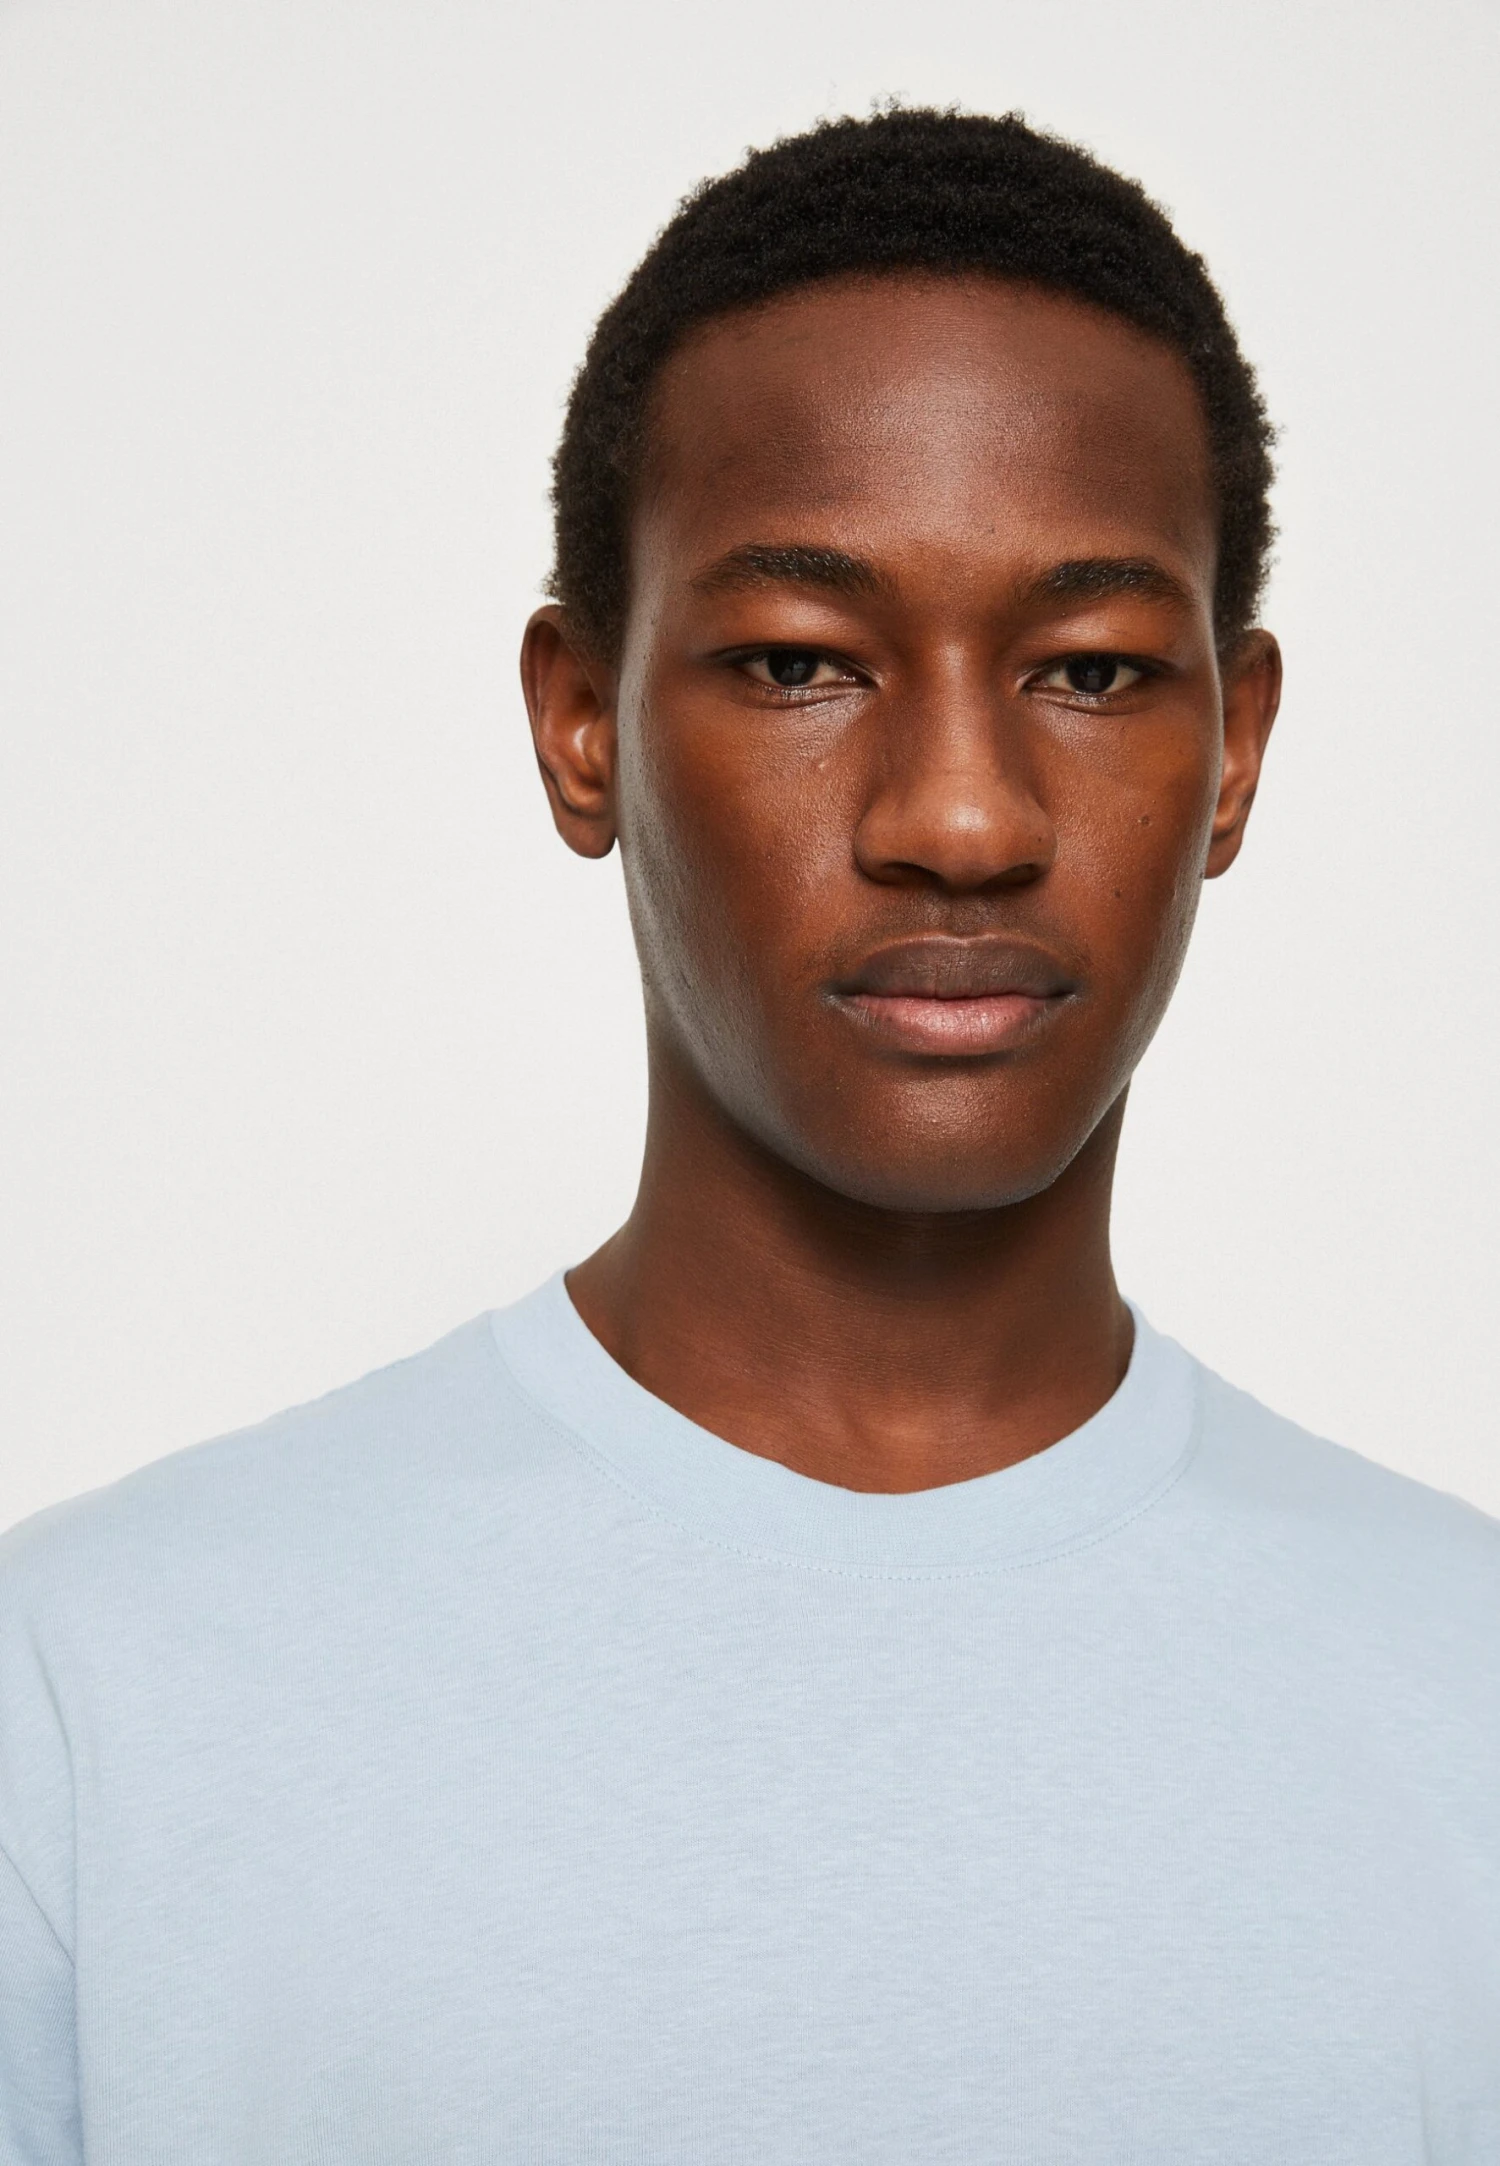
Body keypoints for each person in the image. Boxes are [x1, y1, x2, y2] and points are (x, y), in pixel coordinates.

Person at [2, 107, 1496, 2164]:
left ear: (1234, 749)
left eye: (1088, 670)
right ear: (581, 719)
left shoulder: (1467, 1704)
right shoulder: (93, 1701)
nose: (958, 816)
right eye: (801, 662)